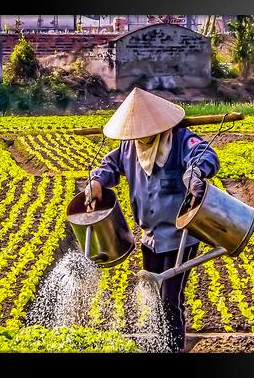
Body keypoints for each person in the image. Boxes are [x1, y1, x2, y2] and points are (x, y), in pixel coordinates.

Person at [85, 87, 220, 353]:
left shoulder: (180, 139)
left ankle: (173, 348)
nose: (140, 137)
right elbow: (108, 166)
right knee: (155, 298)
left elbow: (205, 154)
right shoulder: (129, 146)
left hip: (181, 235)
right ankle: (160, 345)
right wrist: (97, 181)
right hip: (150, 237)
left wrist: (195, 173)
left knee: (170, 299)